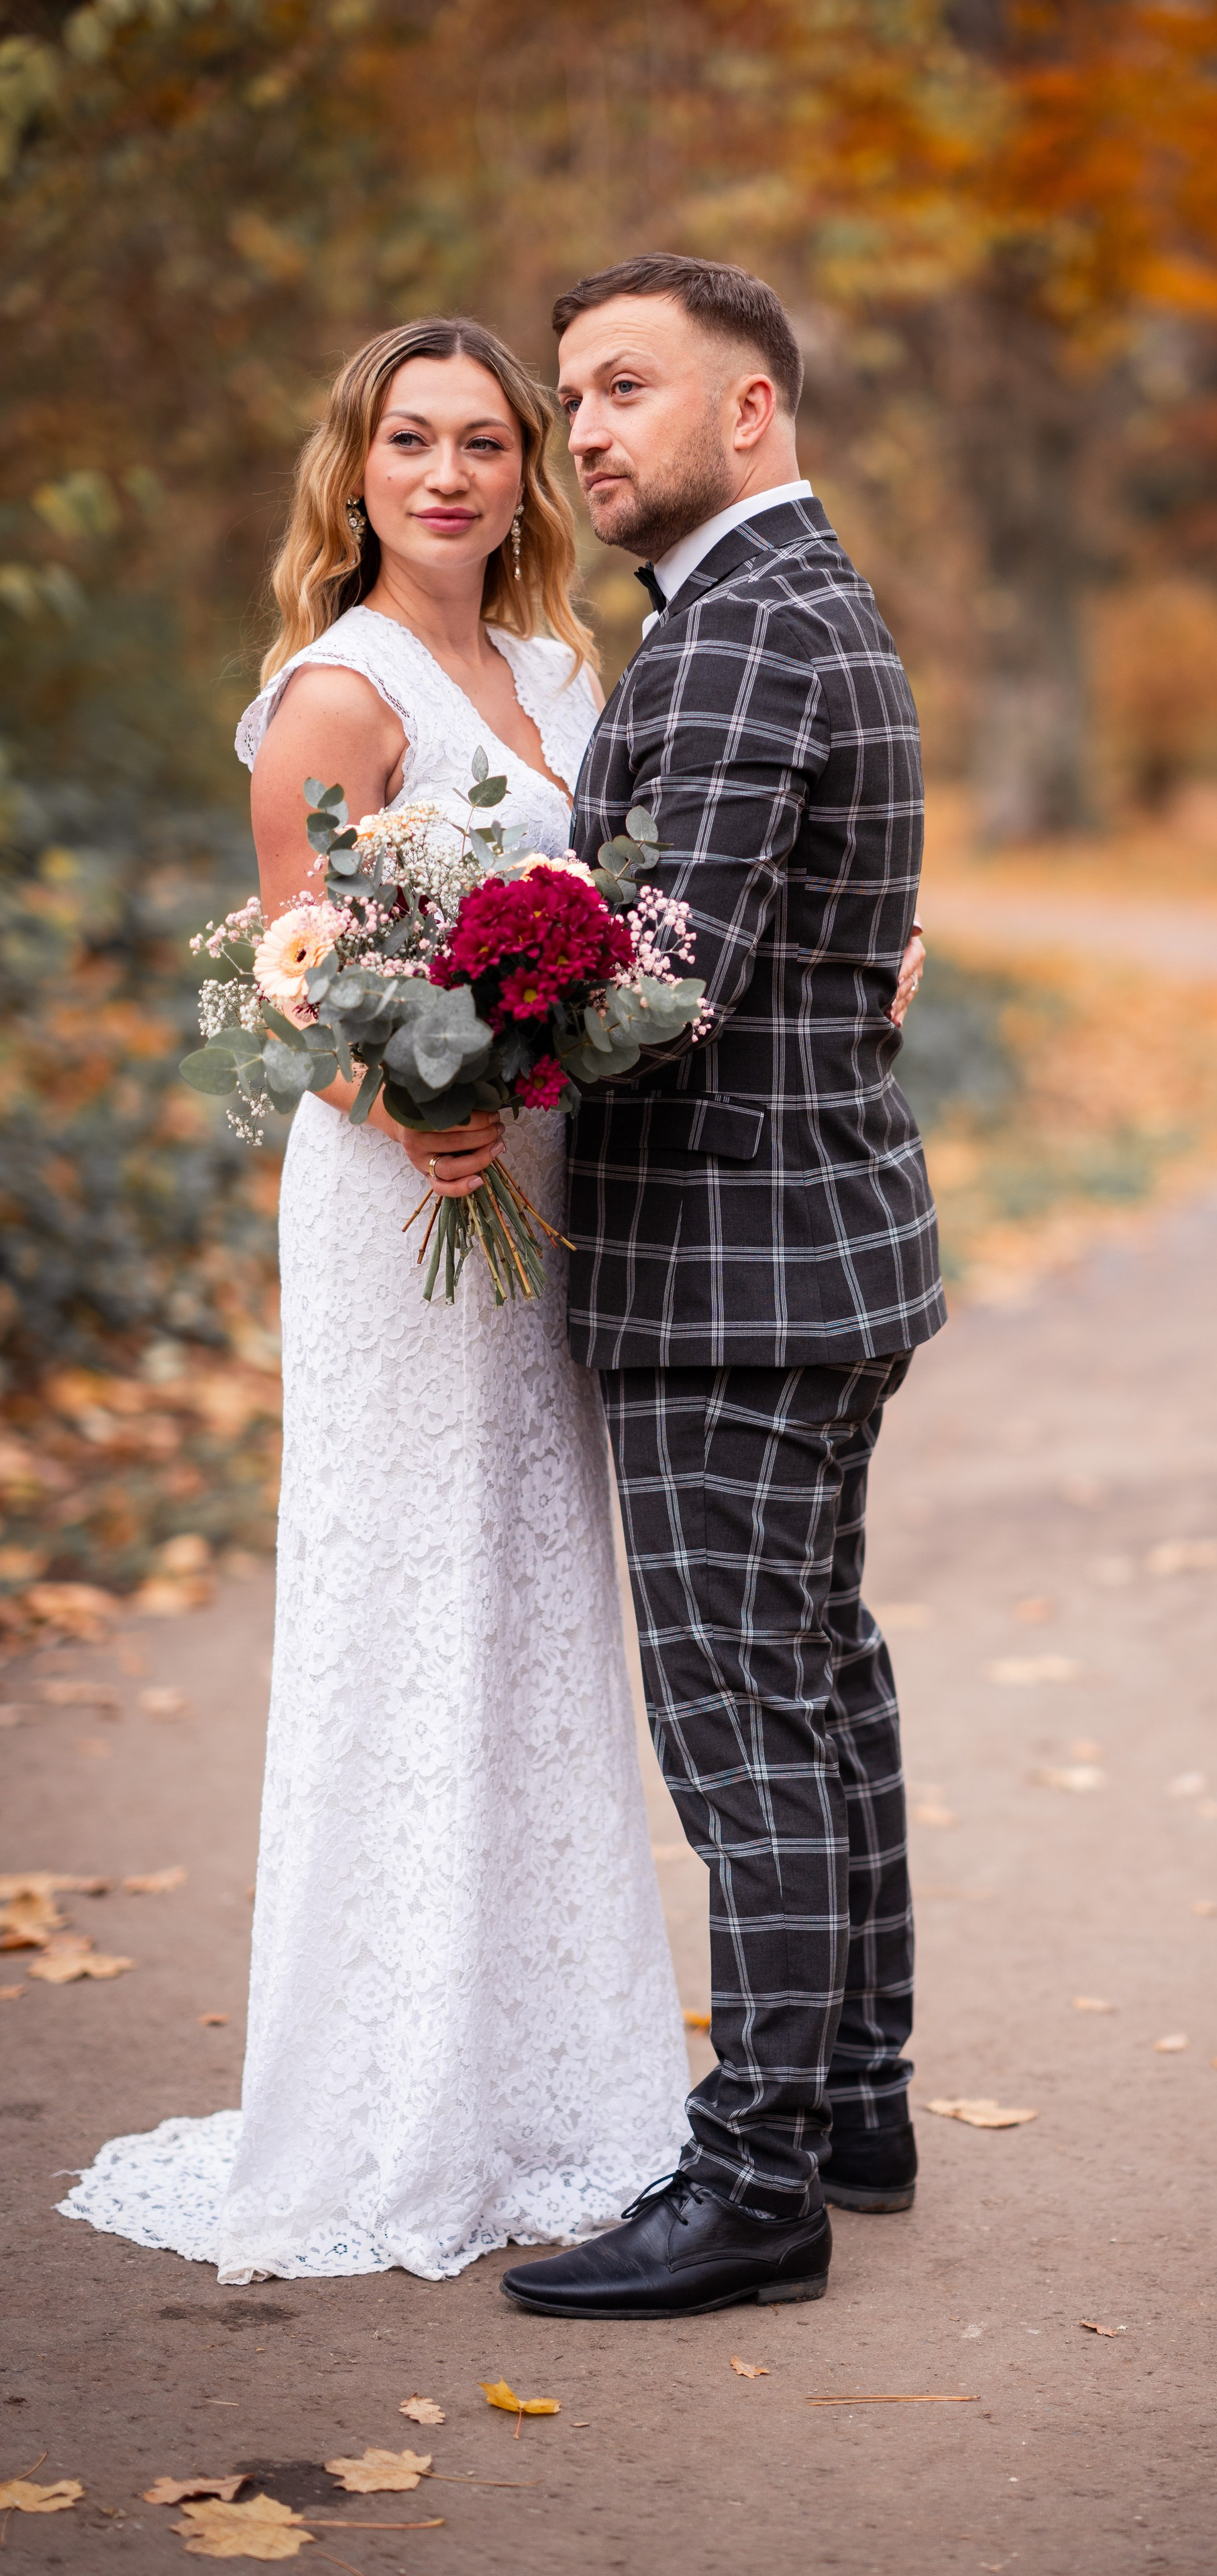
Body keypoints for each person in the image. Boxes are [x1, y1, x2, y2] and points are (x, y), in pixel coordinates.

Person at [58, 316, 701, 2281]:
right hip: (401, 1193)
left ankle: (556, 2092)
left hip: (539, 1188)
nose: (451, 475)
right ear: (356, 472)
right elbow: (289, 969)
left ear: (525, 473)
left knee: (528, 1601)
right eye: (412, 441)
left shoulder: (564, 672)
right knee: (411, 1606)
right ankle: (388, 2109)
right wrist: (410, 1099)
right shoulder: (338, 693)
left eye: (487, 443)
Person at [500, 256, 943, 2325]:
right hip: (818, 1245)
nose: (585, 432)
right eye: (571, 398)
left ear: (748, 411)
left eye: (625, 391)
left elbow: (665, 983)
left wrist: (442, 1022)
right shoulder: (786, 608)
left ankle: (754, 2177)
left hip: (729, 1275)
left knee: (741, 1716)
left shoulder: (743, 633)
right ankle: (854, 2093)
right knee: (820, 1677)